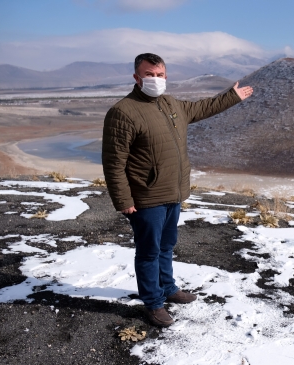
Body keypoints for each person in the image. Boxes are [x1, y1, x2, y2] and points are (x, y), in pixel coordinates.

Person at [102, 53, 253, 327]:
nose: (155, 80)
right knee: (148, 252)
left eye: (160, 75)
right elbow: (114, 162)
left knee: (166, 246)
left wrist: (231, 96)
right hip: (146, 198)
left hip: (173, 192)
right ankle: (153, 304)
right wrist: (123, 199)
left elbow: (203, 108)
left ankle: (168, 289)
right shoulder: (123, 112)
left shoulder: (171, 104)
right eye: (149, 75)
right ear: (137, 77)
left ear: (166, 76)